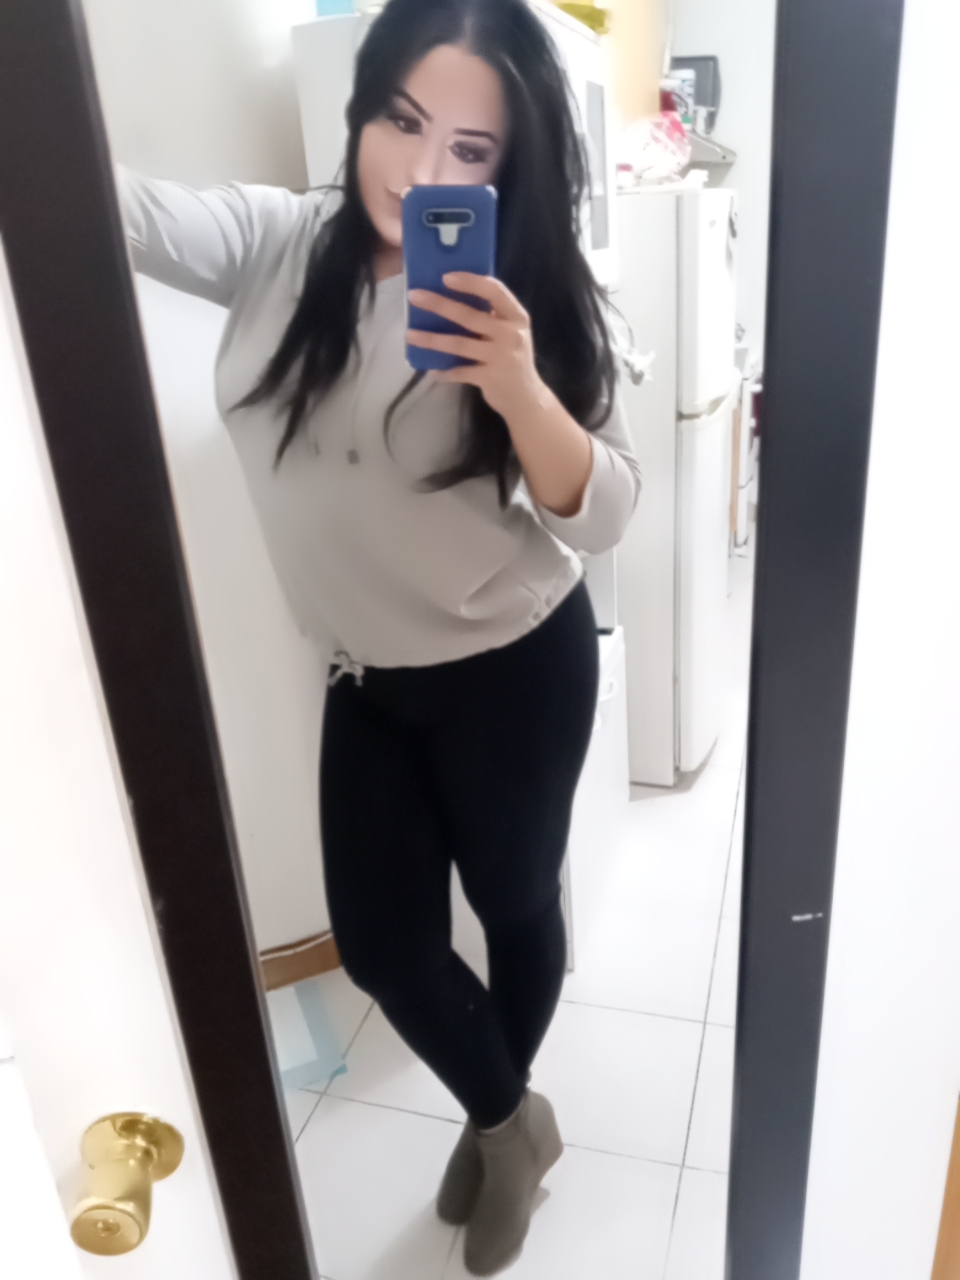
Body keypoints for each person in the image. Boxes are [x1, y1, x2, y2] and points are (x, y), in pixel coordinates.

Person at [117, 0, 640, 1271]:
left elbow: (607, 511)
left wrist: (518, 387)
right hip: (366, 675)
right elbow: (112, 205)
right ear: (361, 109)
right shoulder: (275, 243)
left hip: (515, 668)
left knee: (514, 902)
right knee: (383, 942)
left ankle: (490, 1117)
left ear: (509, 166)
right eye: (402, 121)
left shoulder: (528, 294)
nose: (420, 170)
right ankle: (515, 1120)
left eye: (471, 147)